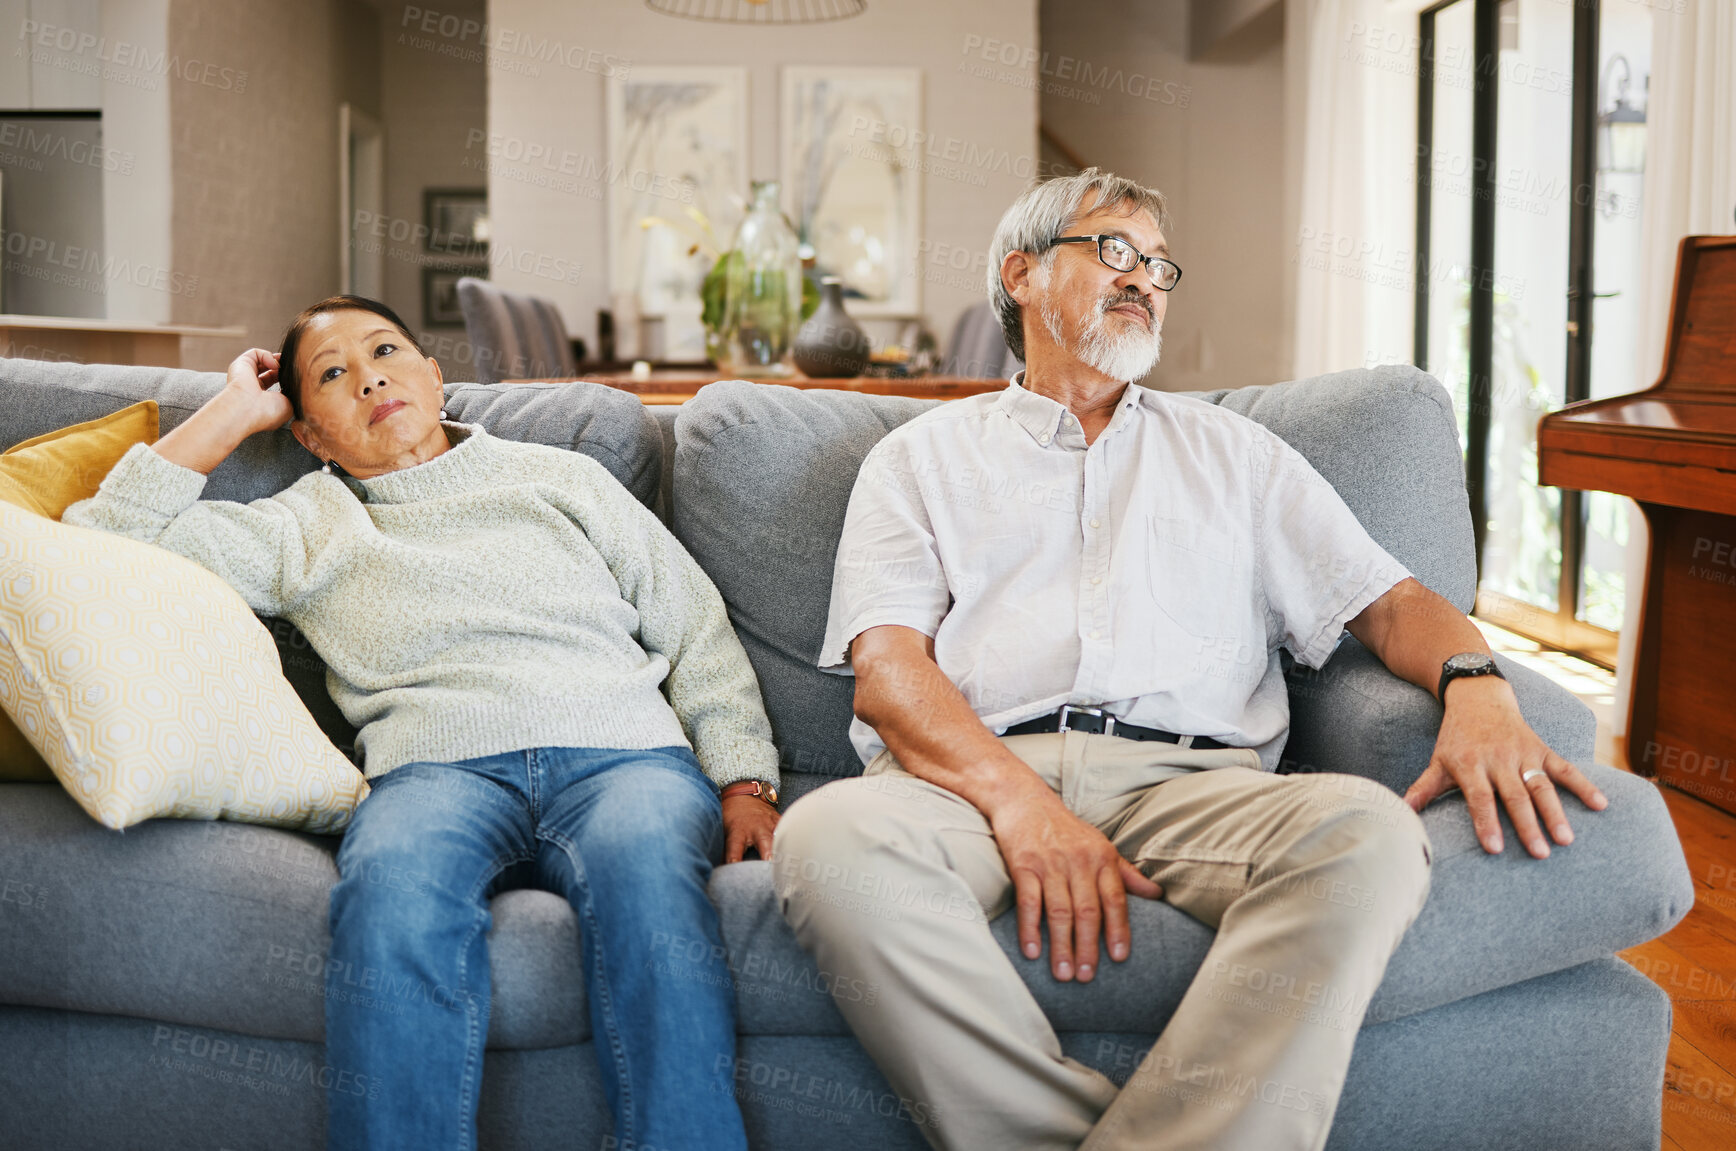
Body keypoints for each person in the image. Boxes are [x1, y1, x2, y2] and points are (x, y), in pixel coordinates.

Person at [770, 170, 1611, 1151]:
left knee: (1366, 835)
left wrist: (1476, 685)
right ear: (1022, 274)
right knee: (828, 840)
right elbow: (890, 669)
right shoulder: (919, 458)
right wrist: (1020, 804)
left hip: (1194, 783)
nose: (1144, 280)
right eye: (1111, 251)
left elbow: (1392, 603)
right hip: (966, 782)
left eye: (1158, 264)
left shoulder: (1236, 455)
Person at [64, 296, 780, 1151]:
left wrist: (745, 776)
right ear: (309, 432)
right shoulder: (301, 526)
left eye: (386, 350)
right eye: (332, 375)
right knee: (392, 897)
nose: (369, 376)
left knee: (650, 879)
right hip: (433, 775)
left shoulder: (563, 477)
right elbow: (99, 538)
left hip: (625, 757)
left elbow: (692, 622)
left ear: (435, 375)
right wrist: (229, 413)